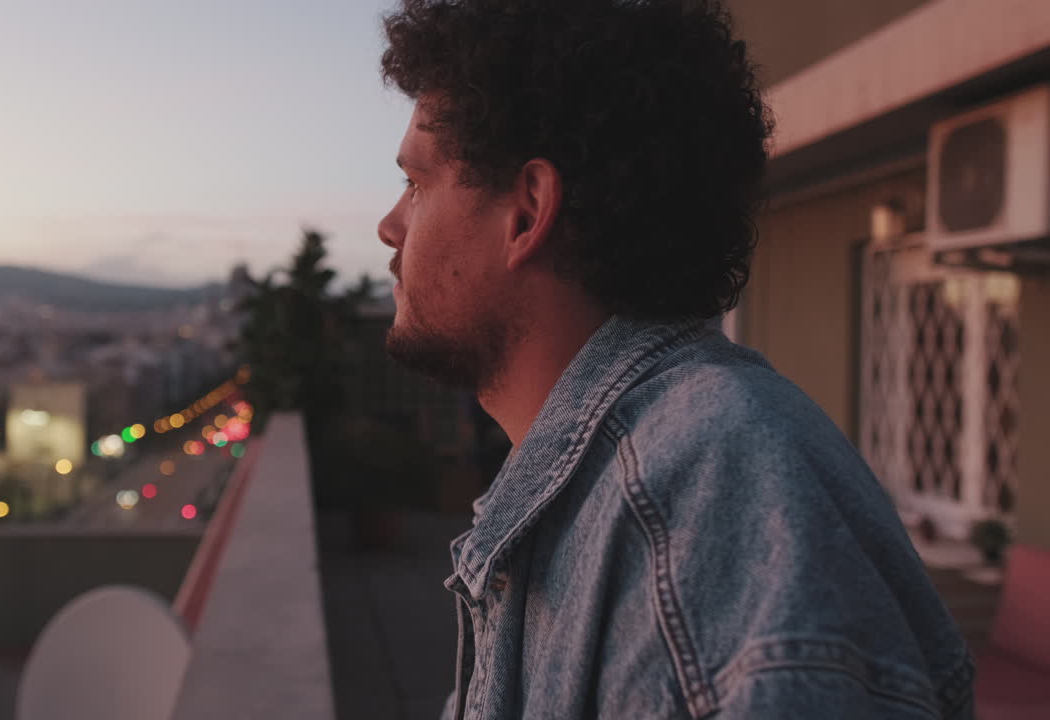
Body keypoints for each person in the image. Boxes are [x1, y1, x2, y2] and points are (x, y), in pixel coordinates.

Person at [373, 0, 975, 718]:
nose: (390, 226)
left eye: (417, 183)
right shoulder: (614, 483)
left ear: (527, 213)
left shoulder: (698, 503)